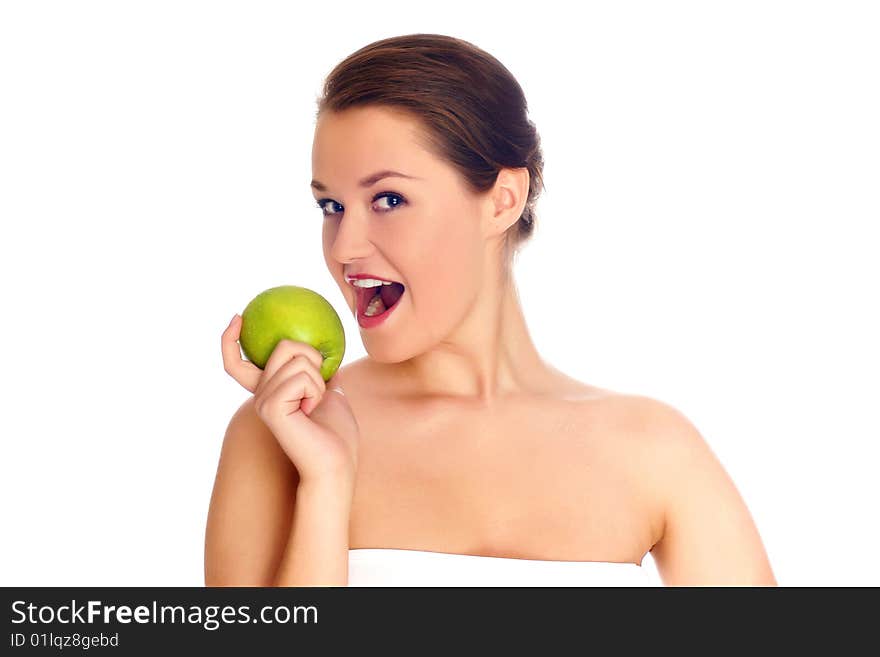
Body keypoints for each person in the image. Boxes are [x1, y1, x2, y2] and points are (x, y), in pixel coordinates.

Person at [205, 33, 777, 586]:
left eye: (388, 199)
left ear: (503, 201)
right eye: (330, 205)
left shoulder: (653, 449)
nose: (344, 246)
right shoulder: (280, 435)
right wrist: (326, 484)